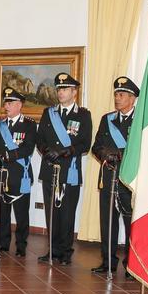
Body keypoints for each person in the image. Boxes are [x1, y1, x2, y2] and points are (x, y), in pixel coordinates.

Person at [36, 72, 92, 265]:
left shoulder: (83, 115)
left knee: (67, 213)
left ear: (74, 92)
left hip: (70, 170)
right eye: (59, 89)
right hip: (50, 168)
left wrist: (65, 151)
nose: (60, 92)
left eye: (65, 89)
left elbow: (85, 144)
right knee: (51, 212)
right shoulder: (48, 113)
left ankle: (66, 251)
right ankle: (53, 250)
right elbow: (40, 139)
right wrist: (46, 151)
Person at [91, 76, 139, 278]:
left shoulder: (141, 121)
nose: (117, 98)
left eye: (121, 95)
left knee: (130, 223)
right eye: (116, 94)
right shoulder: (107, 119)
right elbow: (96, 146)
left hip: (129, 180)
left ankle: (131, 264)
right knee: (108, 221)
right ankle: (108, 261)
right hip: (109, 176)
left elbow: (144, 150)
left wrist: (120, 154)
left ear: (132, 98)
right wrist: (104, 154)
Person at [0, 87, 36, 256]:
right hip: (1, 173)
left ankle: (21, 246)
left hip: (20, 174)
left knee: (21, 214)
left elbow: (28, 148)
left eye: (10, 103)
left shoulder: (29, 125)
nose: (6, 106)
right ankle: (2, 243)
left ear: (19, 105)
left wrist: (7, 155)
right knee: (2, 212)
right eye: (5, 103)